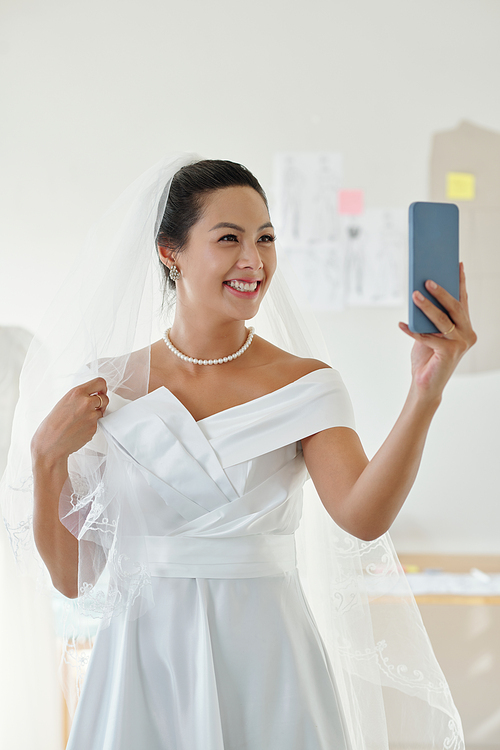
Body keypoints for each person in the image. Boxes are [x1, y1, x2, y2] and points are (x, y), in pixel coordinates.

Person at [4, 157, 475, 750]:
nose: (254, 261)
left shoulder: (307, 384)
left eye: (266, 239)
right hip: (142, 664)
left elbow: (363, 516)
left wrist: (424, 395)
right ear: (169, 251)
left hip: (269, 658)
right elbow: (76, 577)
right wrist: (47, 459)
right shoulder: (106, 391)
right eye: (229, 239)